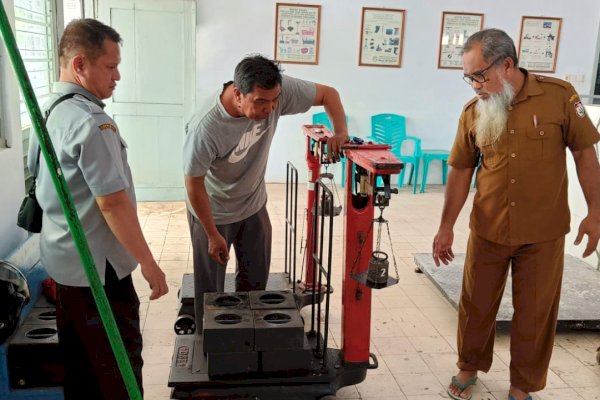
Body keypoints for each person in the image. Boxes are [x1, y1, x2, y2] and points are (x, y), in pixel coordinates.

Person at [432, 28, 600, 400]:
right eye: (469, 77)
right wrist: (446, 226)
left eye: (480, 75)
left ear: (507, 65)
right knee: (476, 303)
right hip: (489, 226)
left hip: (543, 231)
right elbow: (460, 169)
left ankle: (522, 386)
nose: (474, 85)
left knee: (535, 314)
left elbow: (585, 153)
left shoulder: (558, 97)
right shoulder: (474, 112)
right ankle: (468, 366)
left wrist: (595, 212)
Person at [28, 19, 168, 399]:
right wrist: (149, 263)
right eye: (110, 66)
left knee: (80, 367)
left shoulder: (50, 110)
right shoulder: (91, 123)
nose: (118, 75)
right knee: (117, 369)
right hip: (99, 275)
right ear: (79, 65)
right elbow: (113, 204)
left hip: (64, 266)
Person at [183, 55, 349, 329]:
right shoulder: (206, 127)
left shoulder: (275, 91)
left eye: (275, 101)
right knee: (211, 290)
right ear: (237, 94)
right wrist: (211, 234)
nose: (271, 108)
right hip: (213, 211)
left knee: (255, 280)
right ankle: (210, 343)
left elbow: (329, 94)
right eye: (261, 102)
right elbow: (193, 184)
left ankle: (250, 340)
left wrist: (341, 131)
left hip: (253, 204)